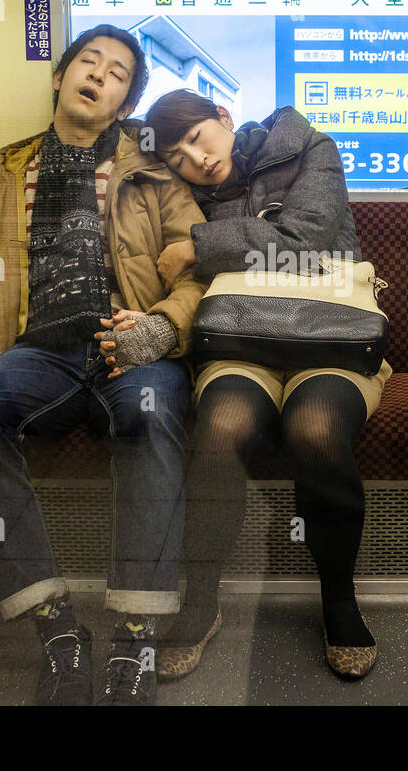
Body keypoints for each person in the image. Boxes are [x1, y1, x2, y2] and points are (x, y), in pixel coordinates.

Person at [0, 25, 207, 705]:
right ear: (59, 77)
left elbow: (199, 275)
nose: (99, 75)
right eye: (88, 62)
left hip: (134, 343)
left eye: (117, 73)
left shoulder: (154, 172)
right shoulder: (2, 176)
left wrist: (159, 329)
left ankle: (136, 637)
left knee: (151, 421)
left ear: (123, 106)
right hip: (40, 349)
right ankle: (57, 630)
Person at [144, 90, 393, 680]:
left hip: (329, 333)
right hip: (239, 341)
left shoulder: (306, 147)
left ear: (225, 119)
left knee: (315, 428)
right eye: (178, 155)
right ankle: (201, 599)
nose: (197, 159)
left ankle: (338, 597)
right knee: (222, 428)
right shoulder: (176, 193)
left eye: (199, 137)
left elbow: (305, 242)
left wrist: (199, 247)